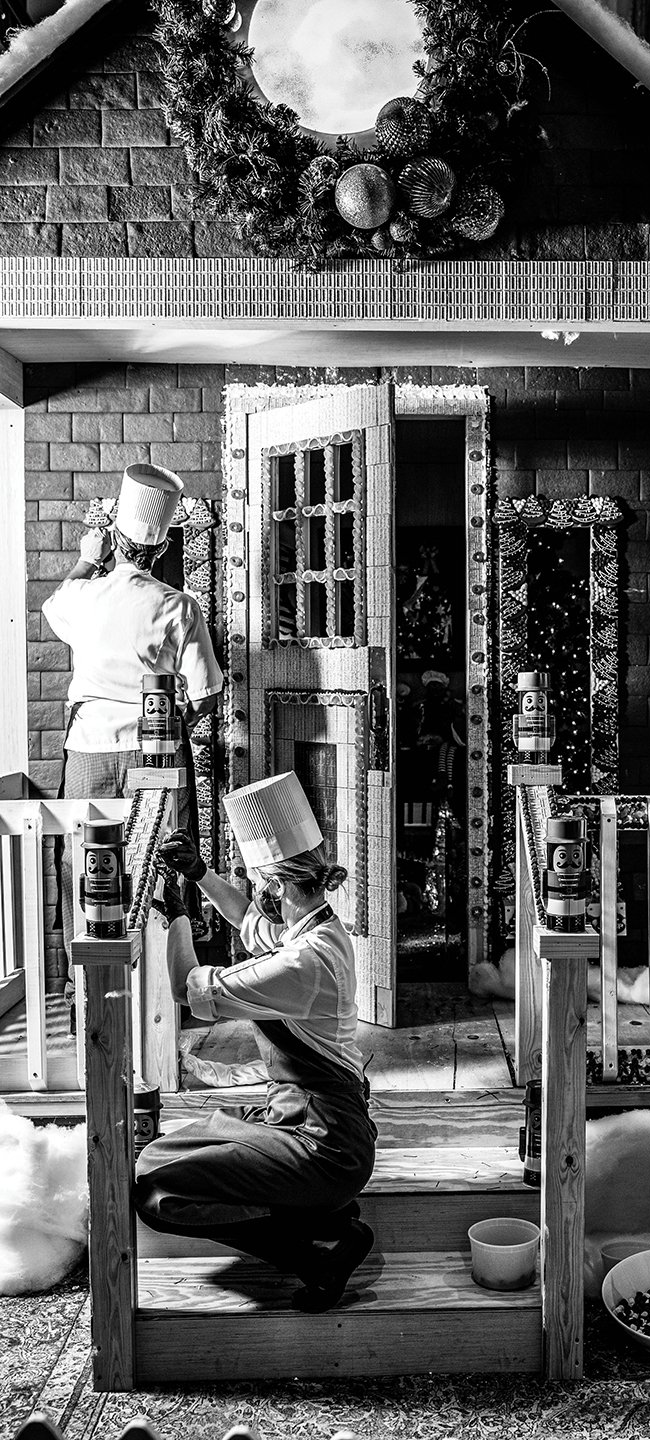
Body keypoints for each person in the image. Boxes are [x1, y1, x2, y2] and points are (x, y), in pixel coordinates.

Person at [137, 771, 377, 1312]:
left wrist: (176, 916)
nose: (255, 893)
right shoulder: (318, 931)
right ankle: (321, 1218)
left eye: (257, 881)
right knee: (160, 1156)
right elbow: (248, 921)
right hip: (306, 1121)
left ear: (274, 883)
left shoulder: (302, 963)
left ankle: (314, 1254)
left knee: (157, 1191)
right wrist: (200, 875)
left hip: (324, 1146)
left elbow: (185, 989)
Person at [42, 463, 223, 982]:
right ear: (162, 549)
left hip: (89, 751)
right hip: (153, 753)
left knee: (87, 865)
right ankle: (169, 991)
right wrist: (175, 717)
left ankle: (89, 993)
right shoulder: (178, 605)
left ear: (113, 541)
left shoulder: (84, 595)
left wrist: (84, 560)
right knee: (164, 857)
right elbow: (207, 696)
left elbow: (54, 604)